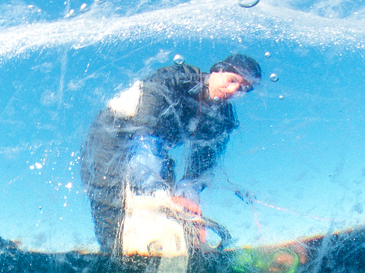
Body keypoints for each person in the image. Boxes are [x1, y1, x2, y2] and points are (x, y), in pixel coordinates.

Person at [80, 54, 261, 251]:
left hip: (155, 147)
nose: (234, 90)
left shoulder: (223, 117)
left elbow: (201, 168)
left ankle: (169, 247)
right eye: (232, 80)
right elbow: (145, 130)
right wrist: (155, 192)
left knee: (172, 210)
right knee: (117, 205)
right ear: (216, 71)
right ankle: (115, 254)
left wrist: (188, 201)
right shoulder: (177, 79)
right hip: (111, 137)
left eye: (243, 88)